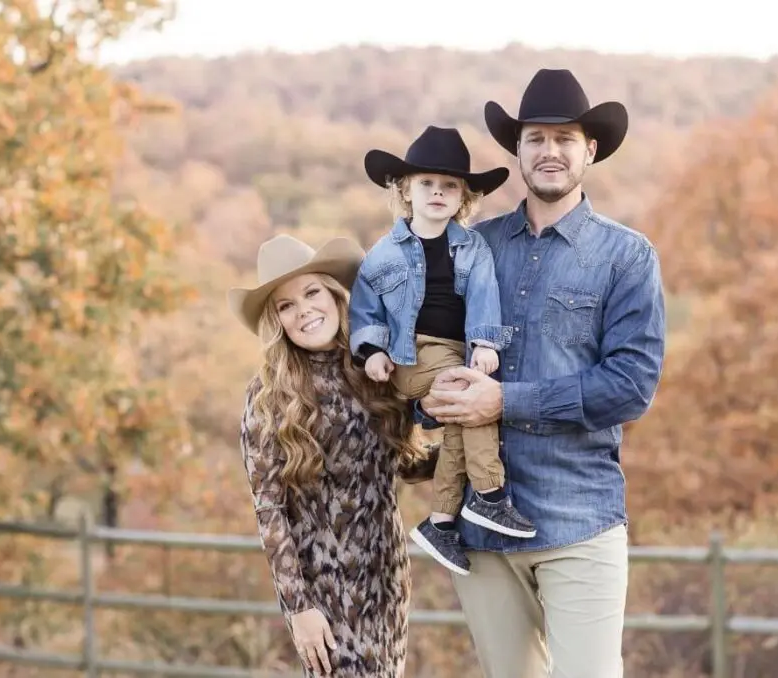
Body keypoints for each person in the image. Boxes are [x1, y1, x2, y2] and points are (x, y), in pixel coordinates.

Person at [415, 69, 667, 678]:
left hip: (577, 519)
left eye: (564, 138)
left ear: (590, 150)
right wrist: (432, 397)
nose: (549, 151)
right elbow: (428, 352)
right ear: (518, 150)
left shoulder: (627, 256)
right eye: (535, 138)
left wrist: (505, 401)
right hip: (480, 530)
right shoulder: (470, 247)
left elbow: (631, 386)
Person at [228, 234, 435, 677]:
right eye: (285, 306)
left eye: (311, 293)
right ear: (277, 321)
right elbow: (269, 510)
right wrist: (298, 609)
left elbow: (407, 463)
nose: (303, 311)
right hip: (323, 589)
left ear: (336, 297)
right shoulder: (268, 396)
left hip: (387, 577)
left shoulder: (375, 371)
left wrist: (466, 443)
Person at [347, 125, 537, 577]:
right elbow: (365, 306)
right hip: (409, 355)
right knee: (474, 399)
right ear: (405, 191)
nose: (437, 192)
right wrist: (371, 350)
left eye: (449, 186)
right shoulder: (384, 254)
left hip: (455, 351)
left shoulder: (473, 248)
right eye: (426, 184)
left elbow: (484, 296)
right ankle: (491, 495)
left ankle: (442, 521)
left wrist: (486, 343)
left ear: (463, 198)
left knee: (459, 422)